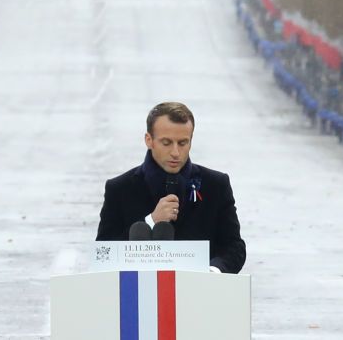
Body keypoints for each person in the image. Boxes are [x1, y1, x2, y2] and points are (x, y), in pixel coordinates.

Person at [95, 101, 246, 274]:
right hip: (139, 295)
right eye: (166, 143)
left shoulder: (216, 184)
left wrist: (213, 272)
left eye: (182, 143)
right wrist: (150, 221)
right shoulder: (119, 188)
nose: (175, 152)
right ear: (149, 140)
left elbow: (234, 246)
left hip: (202, 294)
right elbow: (103, 254)